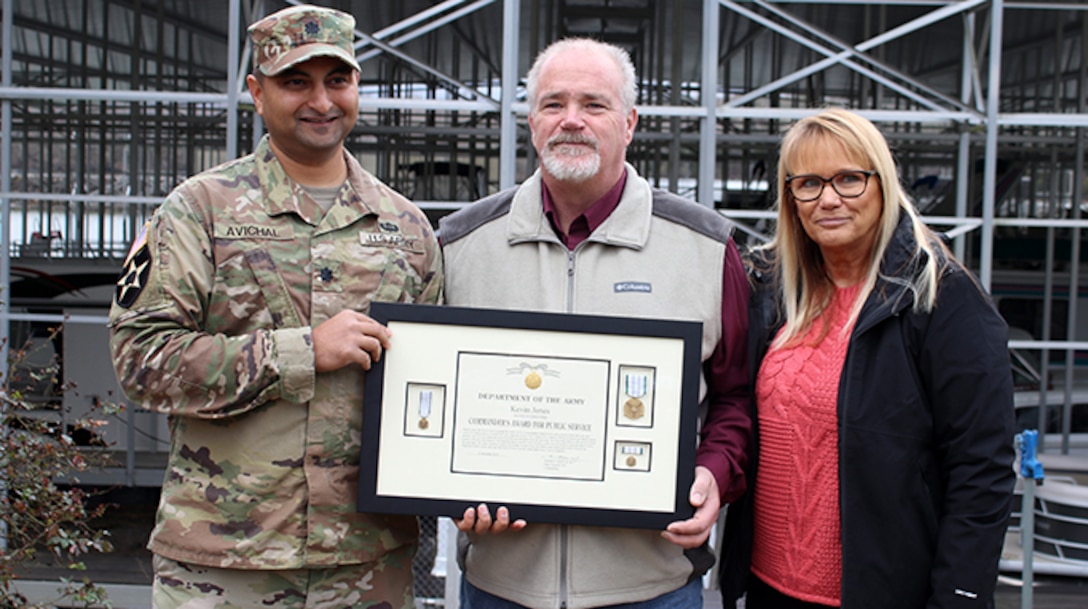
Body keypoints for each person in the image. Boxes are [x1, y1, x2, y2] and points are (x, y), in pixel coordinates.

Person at [108, 5, 442, 608]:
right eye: (296, 82)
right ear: (258, 94)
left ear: (356, 87)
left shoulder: (407, 227)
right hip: (227, 562)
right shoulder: (198, 211)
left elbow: (435, 384)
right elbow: (140, 360)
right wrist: (303, 351)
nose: (321, 100)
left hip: (365, 565)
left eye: (336, 81)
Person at [438, 37, 751, 609]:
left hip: (650, 587)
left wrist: (715, 472)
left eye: (594, 104)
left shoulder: (705, 247)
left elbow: (737, 395)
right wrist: (446, 487)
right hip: (501, 585)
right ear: (532, 122)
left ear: (629, 123)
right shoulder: (461, 245)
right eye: (554, 104)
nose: (572, 120)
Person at [718, 108, 1015, 608]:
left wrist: (959, 596)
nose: (828, 199)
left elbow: (981, 468)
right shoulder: (771, 289)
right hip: (769, 588)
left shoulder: (939, 297)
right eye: (808, 183)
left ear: (883, 183)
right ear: (790, 197)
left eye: (849, 179)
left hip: (884, 592)